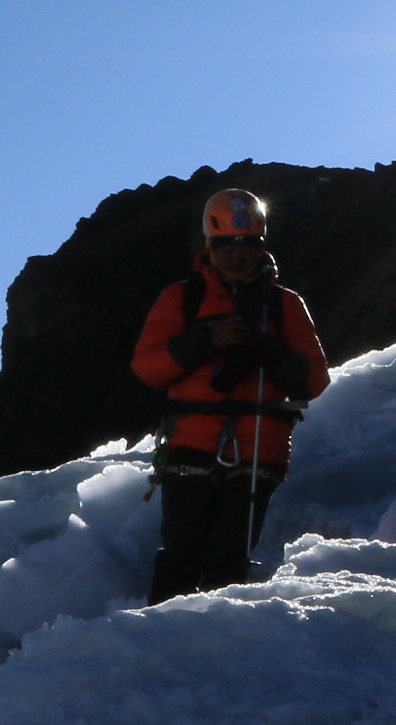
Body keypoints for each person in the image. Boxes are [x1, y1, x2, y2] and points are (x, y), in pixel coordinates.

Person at [133, 188, 331, 604]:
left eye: (247, 244)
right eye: (227, 245)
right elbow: (148, 368)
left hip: (259, 450)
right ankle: (167, 644)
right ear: (211, 245)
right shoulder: (181, 298)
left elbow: (315, 379)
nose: (238, 254)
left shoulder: (284, 305)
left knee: (228, 557)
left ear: (260, 244)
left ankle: (207, 649)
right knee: (180, 555)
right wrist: (205, 341)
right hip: (192, 446)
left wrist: (272, 354)